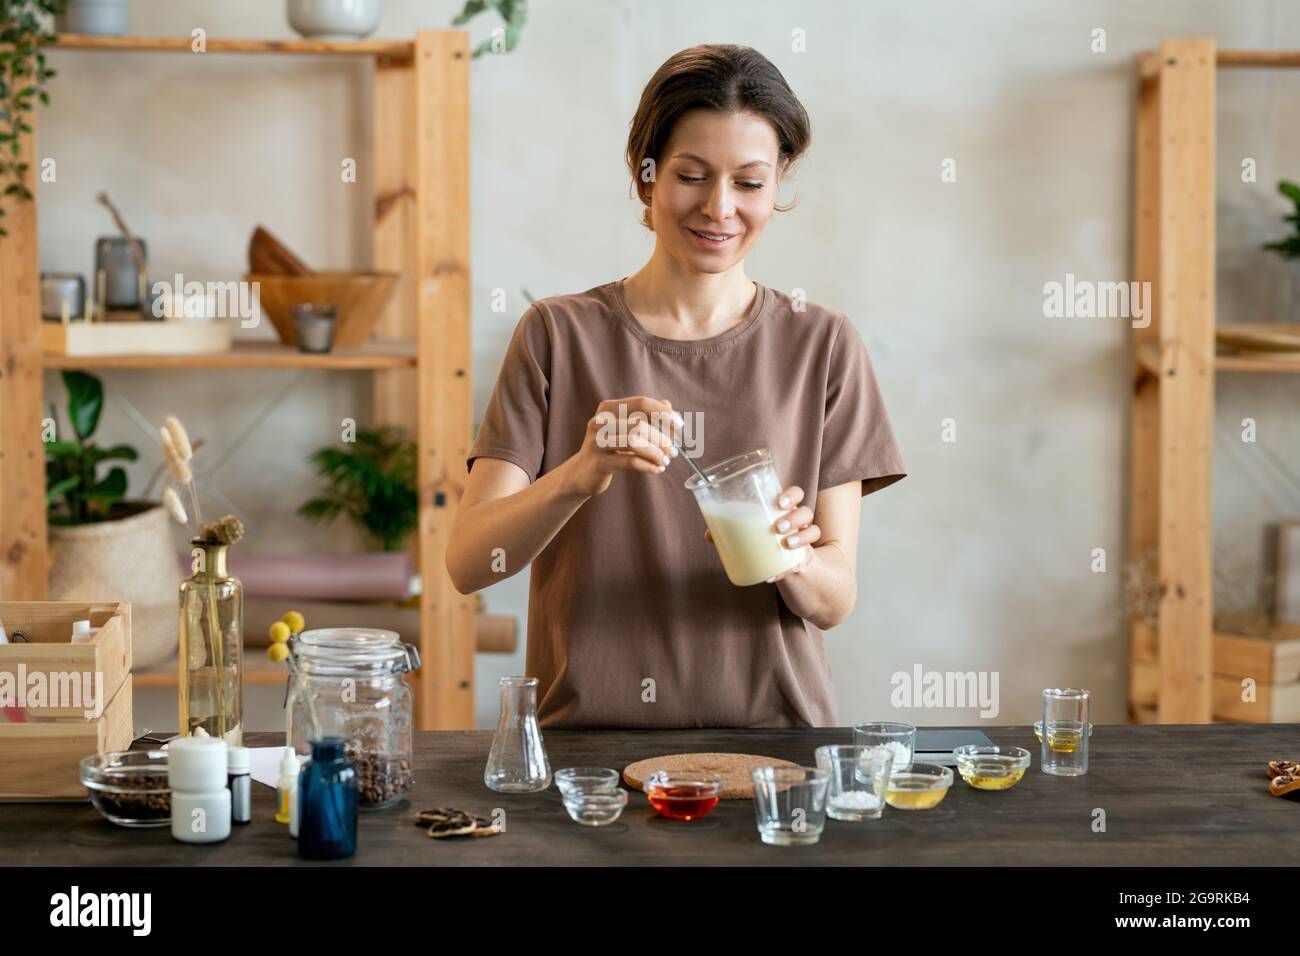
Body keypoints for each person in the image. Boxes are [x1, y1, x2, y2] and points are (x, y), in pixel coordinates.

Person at [447, 44, 906, 728]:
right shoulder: (557, 334)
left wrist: (792, 560)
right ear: (647, 177)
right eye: (692, 175)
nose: (719, 208)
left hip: (777, 755)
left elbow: (835, 601)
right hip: (589, 757)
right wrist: (579, 473)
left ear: (778, 185)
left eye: (750, 183)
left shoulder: (824, 345)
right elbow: (469, 563)